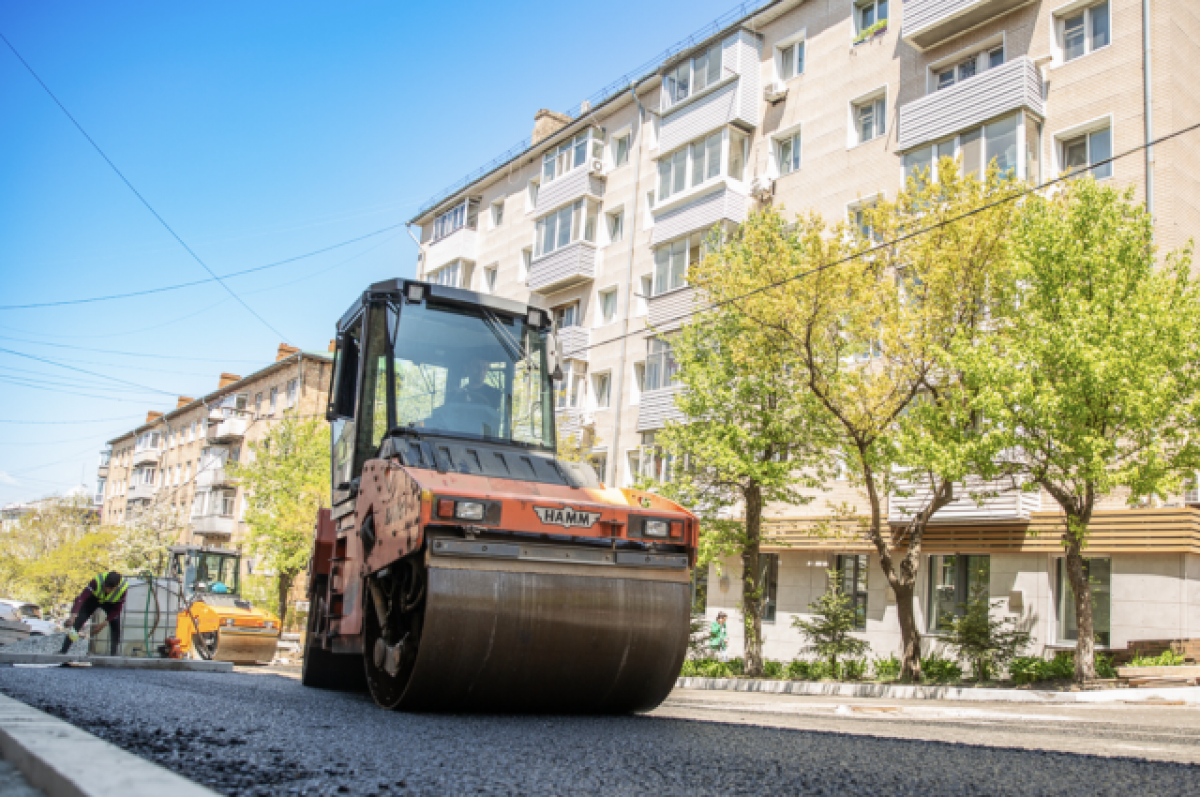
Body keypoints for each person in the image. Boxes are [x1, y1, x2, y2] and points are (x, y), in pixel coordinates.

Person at [59, 571, 128, 655]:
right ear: (104, 583)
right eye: (105, 587)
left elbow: (117, 609)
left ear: (116, 587)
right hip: (93, 599)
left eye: (110, 589)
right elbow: (81, 598)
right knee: (78, 621)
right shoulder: (97, 581)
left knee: (115, 623)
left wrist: (103, 624)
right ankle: (63, 651)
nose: (107, 590)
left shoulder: (123, 588)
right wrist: (73, 616)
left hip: (110, 603)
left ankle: (113, 653)